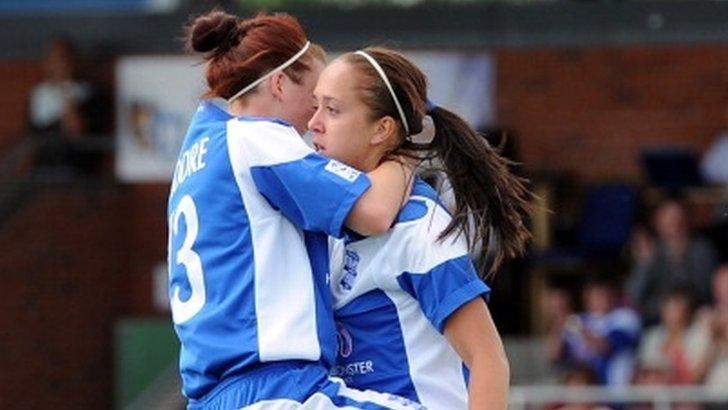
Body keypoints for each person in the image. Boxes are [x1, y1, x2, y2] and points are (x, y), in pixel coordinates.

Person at [168, 10, 421, 410]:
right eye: (317, 97)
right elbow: (375, 211)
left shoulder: (199, 146)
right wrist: (404, 147)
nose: (317, 117)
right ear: (281, 83)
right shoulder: (259, 138)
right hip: (274, 389)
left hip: (217, 396)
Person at [309, 47, 534, 409]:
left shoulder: (418, 227)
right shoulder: (332, 222)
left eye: (332, 110)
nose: (313, 122)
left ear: (382, 129)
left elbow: (489, 360)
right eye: (315, 106)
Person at [626, 198, 718, 325]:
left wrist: (680, 307)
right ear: (657, 222)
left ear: (687, 220)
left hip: (694, 316)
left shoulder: (702, 249)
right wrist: (645, 263)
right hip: (658, 318)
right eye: (668, 218)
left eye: (678, 217)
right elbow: (634, 296)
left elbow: (706, 291)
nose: (674, 223)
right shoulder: (651, 250)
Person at [551, 276, 640, 387]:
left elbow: (603, 346)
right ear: (586, 297)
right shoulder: (578, 320)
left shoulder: (625, 318)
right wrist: (559, 319)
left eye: (604, 294)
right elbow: (554, 355)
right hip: (583, 393)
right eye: (596, 294)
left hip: (614, 391)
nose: (601, 299)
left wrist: (577, 327)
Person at [637, 286, 710, 384]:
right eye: (670, 309)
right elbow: (646, 374)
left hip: (688, 394)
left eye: (678, 308)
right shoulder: (653, 336)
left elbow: (695, 377)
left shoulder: (698, 336)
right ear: (663, 310)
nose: (674, 315)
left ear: (688, 312)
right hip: (656, 393)